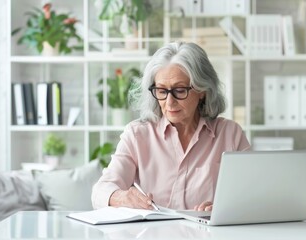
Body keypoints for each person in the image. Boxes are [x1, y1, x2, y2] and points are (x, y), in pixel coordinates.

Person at [91, 42, 250, 212]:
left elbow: (253, 195)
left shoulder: (230, 134)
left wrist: (221, 208)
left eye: (180, 90)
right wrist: (121, 197)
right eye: (161, 91)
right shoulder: (137, 135)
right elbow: (100, 192)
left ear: (202, 90)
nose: (169, 102)